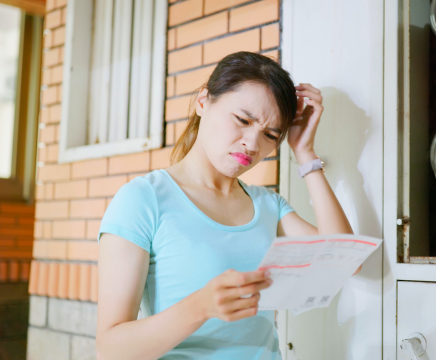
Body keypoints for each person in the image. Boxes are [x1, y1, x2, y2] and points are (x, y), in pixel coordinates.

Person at [95, 51, 357, 359]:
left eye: (270, 135)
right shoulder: (143, 199)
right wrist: (201, 306)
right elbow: (110, 350)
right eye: (243, 120)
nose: (252, 143)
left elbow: (347, 259)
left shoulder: (268, 206)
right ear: (203, 101)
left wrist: (305, 152)